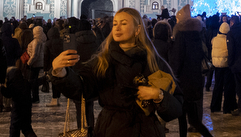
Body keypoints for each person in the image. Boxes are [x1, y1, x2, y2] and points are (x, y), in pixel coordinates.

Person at [50, 7, 184, 137]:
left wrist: (158, 95)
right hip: (110, 129)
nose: (117, 28)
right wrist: (61, 72)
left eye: (123, 23)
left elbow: (177, 107)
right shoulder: (103, 61)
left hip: (145, 130)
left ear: (137, 30)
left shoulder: (153, 61)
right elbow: (82, 88)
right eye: (115, 24)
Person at [169, 5, 214, 137]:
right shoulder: (196, 35)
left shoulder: (181, 37)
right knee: (192, 118)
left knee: (184, 117)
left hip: (183, 83)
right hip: (194, 81)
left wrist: (173, 78)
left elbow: (177, 60)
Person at [209, 21, 236, 113]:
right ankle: (227, 107)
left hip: (217, 65)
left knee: (217, 85)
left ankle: (215, 106)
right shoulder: (229, 40)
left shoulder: (215, 39)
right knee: (228, 86)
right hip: (227, 64)